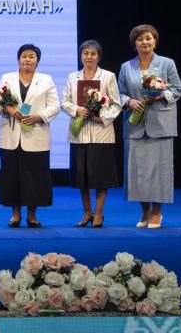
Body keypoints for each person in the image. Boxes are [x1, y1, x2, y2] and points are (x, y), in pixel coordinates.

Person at [118, 24, 181, 229]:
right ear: (134, 44)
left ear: (155, 41)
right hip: (135, 124)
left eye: (148, 38)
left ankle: (157, 211)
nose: (144, 42)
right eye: (140, 39)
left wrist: (161, 95)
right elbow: (119, 94)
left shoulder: (167, 63)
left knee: (160, 170)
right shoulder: (126, 67)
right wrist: (129, 102)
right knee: (138, 171)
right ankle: (145, 210)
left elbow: (178, 89)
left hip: (161, 123)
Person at [0, 44, 59, 228]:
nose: (27, 59)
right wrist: (8, 109)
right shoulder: (7, 78)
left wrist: (39, 116)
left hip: (35, 134)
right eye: (24, 56)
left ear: (37, 60)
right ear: (18, 59)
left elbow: (54, 106)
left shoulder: (46, 80)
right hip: (11, 135)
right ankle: (15, 215)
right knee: (11, 176)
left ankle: (31, 215)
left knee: (34, 177)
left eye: (31, 56)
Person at [61, 40, 121, 228]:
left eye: (93, 53)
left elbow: (116, 104)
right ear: (81, 56)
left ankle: (99, 213)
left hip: (101, 134)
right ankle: (87, 212)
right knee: (82, 178)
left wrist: (100, 117)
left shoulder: (108, 76)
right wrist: (77, 110)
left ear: (99, 57)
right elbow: (64, 101)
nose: (89, 57)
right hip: (79, 133)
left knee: (101, 178)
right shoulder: (73, 77)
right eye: (85, 53)